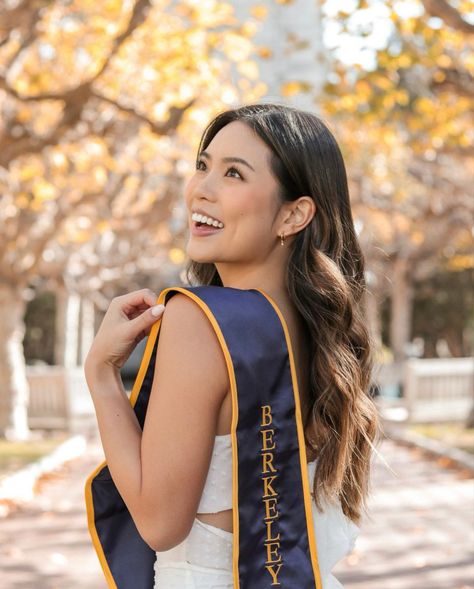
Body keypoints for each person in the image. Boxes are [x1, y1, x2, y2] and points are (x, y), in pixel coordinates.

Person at [84, 103, 381, 588]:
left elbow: (159, 524)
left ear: (293, 214)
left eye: (234, 174)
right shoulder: (322, 333)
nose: (201, 188)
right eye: (203, 166)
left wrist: (101, 375)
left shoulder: (200, 321)